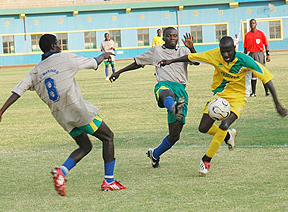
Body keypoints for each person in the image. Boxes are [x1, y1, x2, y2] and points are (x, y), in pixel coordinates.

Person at [0, 34, 127, 196]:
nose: (60, 45)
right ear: (53, 47)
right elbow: (92, 63)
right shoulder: (65, 58)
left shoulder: (35, 72)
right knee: (108, 137)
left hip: (62, 117)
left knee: (85, 146)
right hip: (78, 111)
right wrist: (102, 56)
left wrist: (1, 112)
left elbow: (18, 91)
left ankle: (61, 172)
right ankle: (109, 181)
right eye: (58, 43)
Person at [158, 36, 287, 176]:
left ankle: (206, 159)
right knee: (203, 128)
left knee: (224, 124)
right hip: (219, 96)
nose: (225, 55)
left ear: (234, 49)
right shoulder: (215, 55)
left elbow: (267, 79)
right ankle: (228, 135)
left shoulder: (246, 61)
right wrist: (171, 61)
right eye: (223, 51)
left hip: (238, 97)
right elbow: (191, 57)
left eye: (228, 51)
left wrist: (277, 104)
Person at [109, 27, 199, 168]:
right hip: (164, 85)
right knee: (166, 94)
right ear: (163, 38)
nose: (172, 38)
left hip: (181, 90)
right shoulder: (156, 50)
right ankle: (174, 107)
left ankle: (155, 154)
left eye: (175, 35)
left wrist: (192, 48)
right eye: (169, 36)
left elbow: (196, 61)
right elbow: (138, 63)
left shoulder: (184, 51)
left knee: (174, 136)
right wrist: (119, 72)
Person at [244, 18, 270, 97]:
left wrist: (268, 54)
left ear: (256, 24)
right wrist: (245, 57)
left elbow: (266, 44)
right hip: (251, 55)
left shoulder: (260, 34)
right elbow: (245, 48)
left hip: (260, 54)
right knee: (253, 74)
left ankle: (267, 91)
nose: (252, 25)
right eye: (251, 23)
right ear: (249, 25)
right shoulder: (247, 35)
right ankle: (253, 93)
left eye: (254, 23)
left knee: (262, 72)